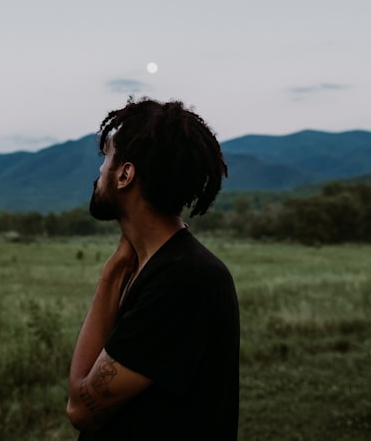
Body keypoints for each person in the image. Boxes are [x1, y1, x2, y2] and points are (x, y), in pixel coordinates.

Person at [66, 97, 240, 440]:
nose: (99, 171)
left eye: (106, 159)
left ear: (125, 174)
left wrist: (111, 273)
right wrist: (118, 268)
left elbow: (82, 408)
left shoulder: (184, 281)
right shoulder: (152, 266)